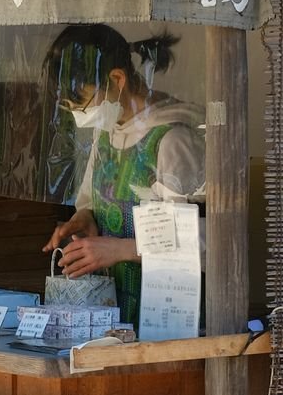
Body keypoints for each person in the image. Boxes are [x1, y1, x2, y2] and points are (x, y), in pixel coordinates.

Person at [42, 24, 205, 325]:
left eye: (82, 103)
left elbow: (202, 241)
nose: (79, 114)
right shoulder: (106, 135)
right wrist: (86, 218)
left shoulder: (173, 139)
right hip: (113, 316)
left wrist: (120, 250)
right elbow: (91, 200)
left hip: (167, 319)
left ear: (117, 79)